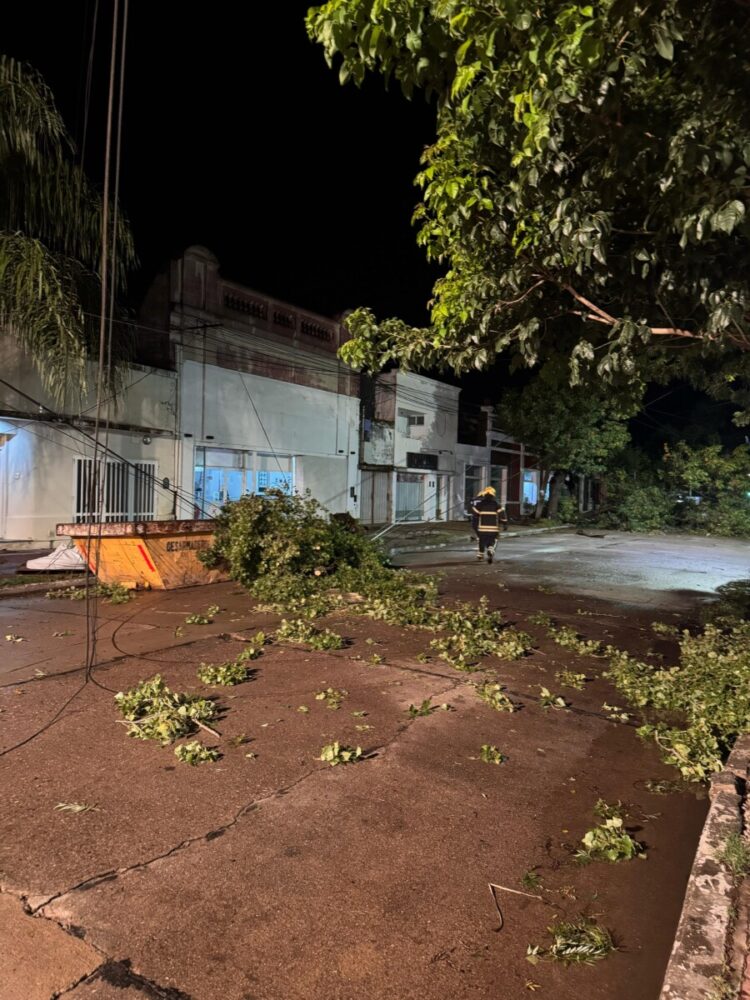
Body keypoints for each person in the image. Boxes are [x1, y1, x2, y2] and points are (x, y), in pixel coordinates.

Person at [470, 486, 506, 564]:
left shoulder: (480, 504)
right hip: (493, 528)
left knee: (482, 541)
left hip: (482, 528)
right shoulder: (496, 504)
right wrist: (505, 524)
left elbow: (475, 514)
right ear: (493, 495)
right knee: (492, 540)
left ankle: (480, 555)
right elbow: (502, 515)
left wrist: (475, 524)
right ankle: (490, 549)